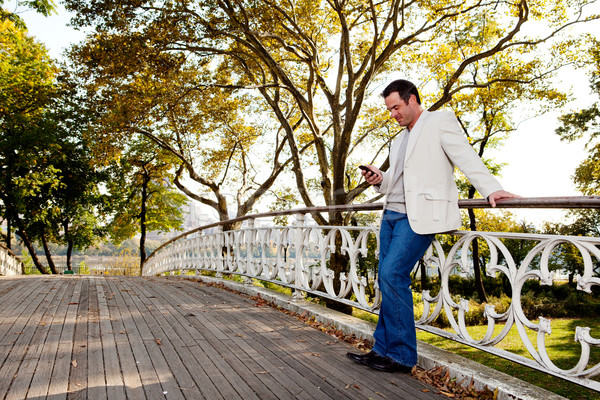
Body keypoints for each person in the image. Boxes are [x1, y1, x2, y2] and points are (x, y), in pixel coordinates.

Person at [346, 79, 518, 373]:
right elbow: (397, 180)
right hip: (391, 215)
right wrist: (379, 178)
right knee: (385, 280)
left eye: (396, 107)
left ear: (412, 99)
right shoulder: (399, 139)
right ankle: (382, 349)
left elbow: (466, 156)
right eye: (389, 110)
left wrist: (492, 188)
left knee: (392, 274)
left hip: (419, 216)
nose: (393, 114)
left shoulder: (440, 121)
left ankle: (401, 356)